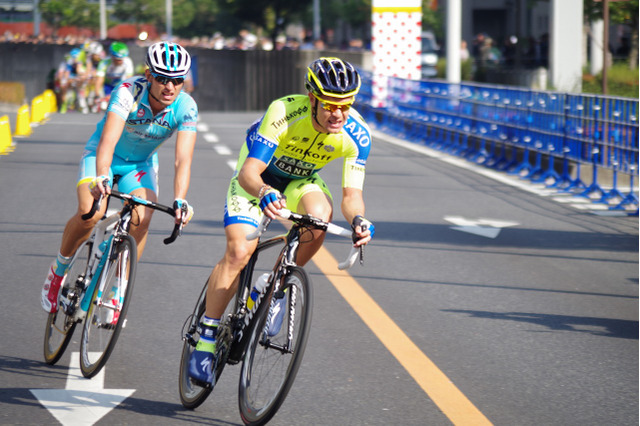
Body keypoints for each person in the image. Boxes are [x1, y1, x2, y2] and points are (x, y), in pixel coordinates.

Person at [188, 57, 375, 385]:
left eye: (346, 106)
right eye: (330, 105)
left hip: (300, 182)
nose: (339, 114)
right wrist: (262, 191)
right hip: (257, 178)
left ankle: (272, 287)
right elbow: (249, 171)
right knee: (239, 252)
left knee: (319, 220)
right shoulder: (285, 112)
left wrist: (359, 219)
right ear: (312, 98)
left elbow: (350, 196)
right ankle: (206, 338)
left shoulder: (357, 135)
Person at [41, 41, 198, 314]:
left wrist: (180, 199)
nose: (169, 87)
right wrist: (102, 175)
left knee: (143, 217)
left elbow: (182, 159)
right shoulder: (127, 91)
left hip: (140, 164)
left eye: (177, 80)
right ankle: (58, 271)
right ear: (148, 76)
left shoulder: (186, 107)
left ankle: (118, 288)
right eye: (162, 79)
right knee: (90, 212)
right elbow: (108, 142)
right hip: (104, 157)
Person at [92, 41, 135, 112]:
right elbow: (99, 80)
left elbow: (129, 80)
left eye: (122, 59)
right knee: (104, 106)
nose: (120, 61)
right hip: (107, 86)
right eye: (117, 60)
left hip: (120, 85)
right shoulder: (104, 62)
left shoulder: (127, 62)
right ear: (112, 57)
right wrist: (97, 95)